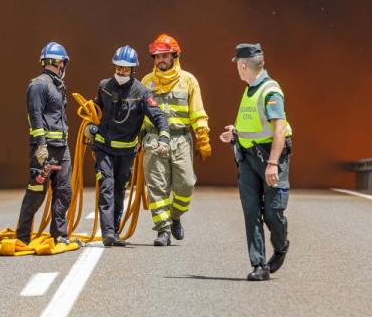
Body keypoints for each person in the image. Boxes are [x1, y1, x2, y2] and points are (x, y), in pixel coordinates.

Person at [218, 43, 292, 282]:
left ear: (243, 65)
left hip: (271, 158)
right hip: (248, 159)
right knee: (251, 211)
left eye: (237, 66)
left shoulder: (270, 91)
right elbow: (255, 124)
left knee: (272, 213)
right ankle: (259, 264)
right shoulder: (250, 89)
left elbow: (278, 129)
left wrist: (272, 164)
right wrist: (236, 133)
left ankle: (280, 246)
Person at [86, 46, 170, 247]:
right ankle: (107, 233)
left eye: (125, 69)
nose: (121, 72)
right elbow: (96, 110)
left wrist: (164, 138)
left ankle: (114, 231)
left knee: (119, 192)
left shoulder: (142, 92)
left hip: (126, 153)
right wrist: (90, 126)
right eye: (118, 67)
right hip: (104, 149)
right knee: (106, 188)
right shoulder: (104, 86)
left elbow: (159, 117)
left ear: (134, 70)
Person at [140, 34, 211, 247]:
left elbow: (197, 111)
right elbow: (139, 115)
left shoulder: (188, 81)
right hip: (154, 139)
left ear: (175, 56)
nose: (160, 60)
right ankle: (163, 231)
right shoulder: (146, 82)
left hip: (180, 139)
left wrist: (203, 137)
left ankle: (175, 216)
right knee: (157, 187)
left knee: (186, 184)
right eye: (157, 56)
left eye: (165, 55)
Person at [15, 42, 73, 244]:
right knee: (36, 193)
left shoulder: (57, 85)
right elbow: (35, 116)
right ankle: (22, 237)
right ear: (59, 63)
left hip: (61, 148)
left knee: (64, 192)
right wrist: (41, 145)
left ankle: (59, 235)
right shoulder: (38, 85)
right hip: (44, 149)